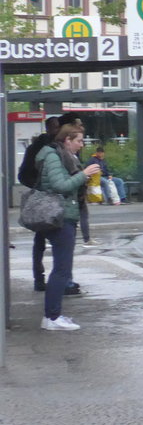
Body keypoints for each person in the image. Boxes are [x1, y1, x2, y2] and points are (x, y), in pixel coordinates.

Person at [36, 123, 101, 329]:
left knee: (62, 268)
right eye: (79, 141)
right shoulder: (55, 157)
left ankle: (53, 315)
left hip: (63, 215)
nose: (82, 145)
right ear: (67, 140)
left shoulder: (62, 156)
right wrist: (83, 175)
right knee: (62, 269)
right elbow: (60, 186)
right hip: (60, 217)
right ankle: (52, 317)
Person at [17, 117, 79, 294]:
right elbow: (59, 181)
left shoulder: (54, 148)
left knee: (50, 244)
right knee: (51, 245)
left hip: (55, 203)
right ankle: (51, 280)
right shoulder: (49, 149)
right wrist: (40, 188)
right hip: (50, 203)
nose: (56, 129)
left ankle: (52, 279)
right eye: (54, 127)